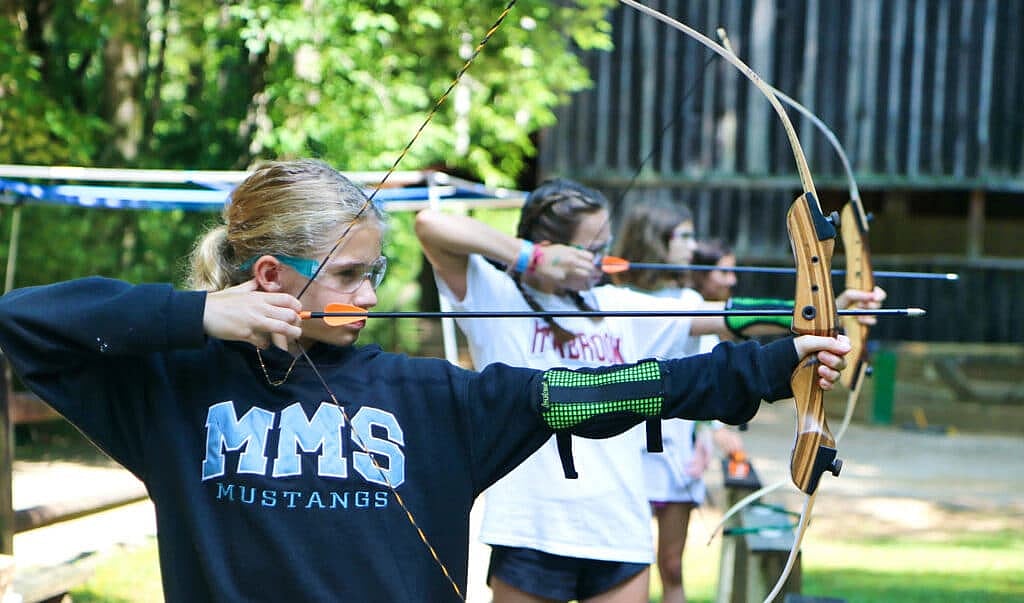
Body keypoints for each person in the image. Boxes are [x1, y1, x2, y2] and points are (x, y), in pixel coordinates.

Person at [0, 160, 850, 603]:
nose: (371, 296)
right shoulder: (173, 391)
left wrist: (780, 359)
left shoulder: (431, 398)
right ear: (267, 276)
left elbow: (620, 391)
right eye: (350, 276)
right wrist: (199, 318)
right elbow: (24, 321)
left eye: (378, 273)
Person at [415, 180, 855, 603]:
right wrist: (531, 260)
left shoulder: (617, 307)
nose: (604, 260)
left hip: (618, 528)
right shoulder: (496, 298)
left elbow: (725, 316)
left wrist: (832, 310)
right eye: (593, 250)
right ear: (555, 248)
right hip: (530, 526)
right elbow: (430, 224)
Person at [611, 200, 884, 603]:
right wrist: (828, 308)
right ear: (654, 240)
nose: (692, 245)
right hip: (617, 446)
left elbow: (723, 338)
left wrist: (830, 307)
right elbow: (733, 316)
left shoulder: (686, 299)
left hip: (674, 447)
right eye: (682, 236)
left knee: (671, 565)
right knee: (621, 561)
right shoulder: (613, 301)